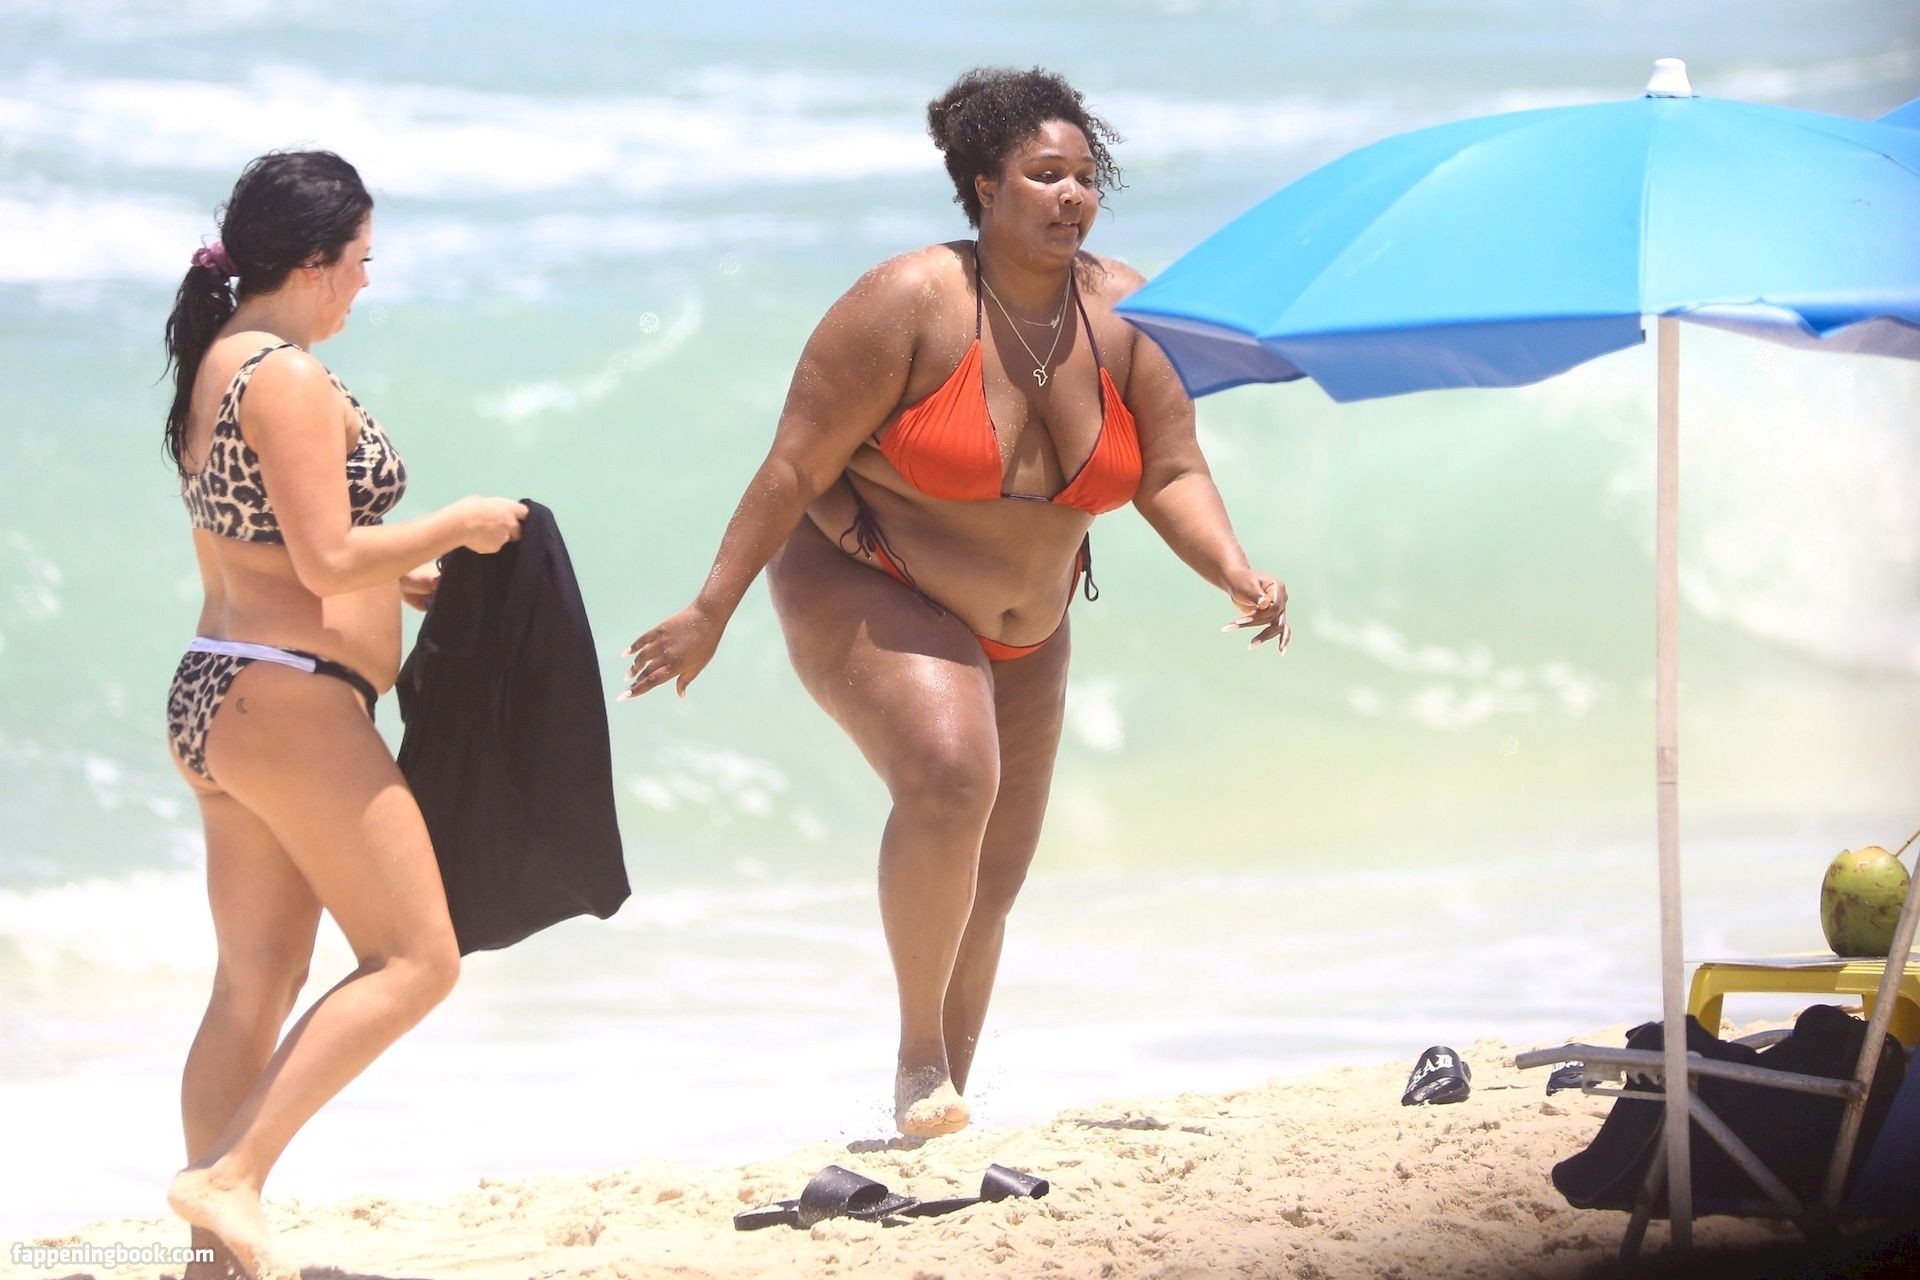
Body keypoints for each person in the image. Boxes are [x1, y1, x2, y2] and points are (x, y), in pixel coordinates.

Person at [622, 67, 1288, 1139]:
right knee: (948, 777)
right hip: (868, 578)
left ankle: (940, 1109)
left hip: (1030, 620)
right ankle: (918, 1059)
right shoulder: (910, 303)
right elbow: (794, 466)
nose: (1072, 197)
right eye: (1045, 175)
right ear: (985, 186)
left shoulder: (1127, 315)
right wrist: (711, 609)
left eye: (1085, 178)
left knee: (995, 873)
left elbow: (1171, 469)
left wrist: (1235, 569)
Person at [159, 150, 526, 1278]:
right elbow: (324, 559)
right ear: (314, 261)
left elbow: (266, 540)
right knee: (416, 957)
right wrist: (458, 522)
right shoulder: (287, 376)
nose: (367, 280)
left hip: (222, 689)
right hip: (288, 699)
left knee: (253, 986)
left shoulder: (221, 361)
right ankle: (231, 1177)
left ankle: (213, 1258)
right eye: (361, 259)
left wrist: (397, 576)